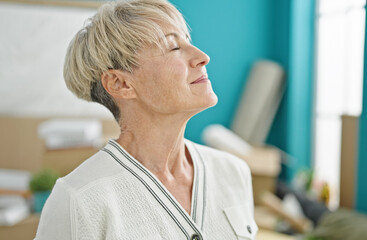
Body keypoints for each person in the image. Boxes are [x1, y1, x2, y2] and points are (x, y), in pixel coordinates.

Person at [34, 0, 257, 239]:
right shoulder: (79, 199)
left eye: (188, 42)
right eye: (173, 48)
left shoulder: (233, 173)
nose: (203, 57)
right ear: (121, 84)